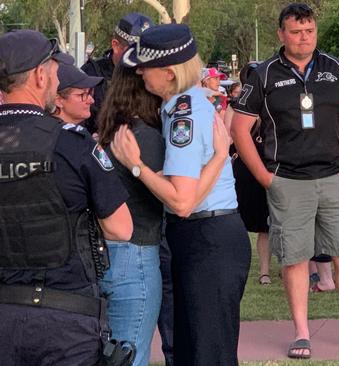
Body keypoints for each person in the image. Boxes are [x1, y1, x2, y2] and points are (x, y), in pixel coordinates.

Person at [0, 29, 133, 365]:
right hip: (67, 321)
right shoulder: (73, 145)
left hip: (1, 319)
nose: (55, 78)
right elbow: (121, 227)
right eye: (53, 70)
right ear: (40, 75)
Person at [231, 3, 339, 359]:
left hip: (336, 176)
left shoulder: (337, 68)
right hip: (288, 180)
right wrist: (265, 178)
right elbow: (240, 129)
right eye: (296, 32)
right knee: (296, 259)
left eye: (310, 31)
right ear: (281, 34)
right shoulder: (264, 74)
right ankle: (301, 333)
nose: (304, 38)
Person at [112, 23, 251, 366]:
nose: (140, 72)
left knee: (207, 354)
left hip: (207, 239)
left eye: (146, 66)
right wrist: (219, 157)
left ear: (169, 73)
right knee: (196, 351)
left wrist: (136, 166)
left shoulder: (183, 113)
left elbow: (181, 201)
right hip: (206, 235)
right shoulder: (182, 105)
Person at [95, 64, 164, 366]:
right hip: (135, 253)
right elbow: (175, 198)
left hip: (103, 251)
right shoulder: (144, 137)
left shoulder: (109, 134)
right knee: (130, 354)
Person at [227, 63, 272, 285]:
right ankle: (246, 268)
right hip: (244, 169)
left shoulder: (270, 103)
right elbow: (228, 138)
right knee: (242, 221)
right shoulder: (236, 106)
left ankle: (265, 271)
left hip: (267, 165)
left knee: (267, 223)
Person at [81, 12, 152, 135]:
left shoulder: (152, 75)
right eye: (135, 51)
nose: (141, 58)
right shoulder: (91, 74)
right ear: (116, 45)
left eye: (147, 51)